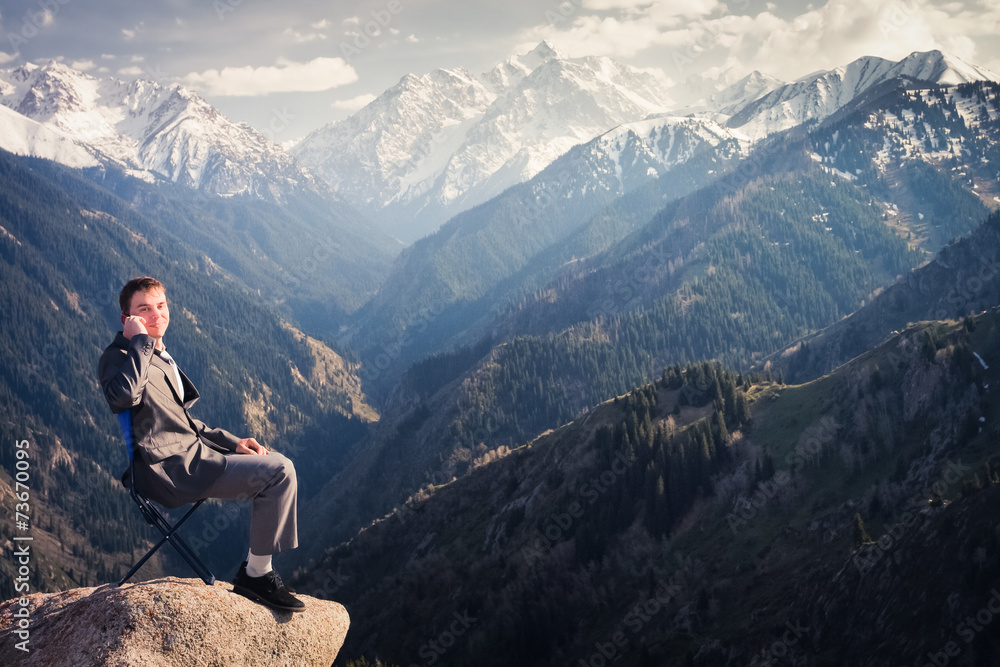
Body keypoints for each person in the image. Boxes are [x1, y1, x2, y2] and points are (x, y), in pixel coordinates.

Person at [97, 276, 303, 612]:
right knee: (280, 471)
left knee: (278, 464)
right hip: (169, 471)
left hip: (192, 455)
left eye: (161, 306)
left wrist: (233, 443)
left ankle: (259, 571)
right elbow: (122, 396)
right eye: (144, 309)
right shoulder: (118, 356)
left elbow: (185, 423)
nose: (156, 315)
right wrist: (139, 343)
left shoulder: (158, 354)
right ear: (127, 319)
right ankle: (257, 575)